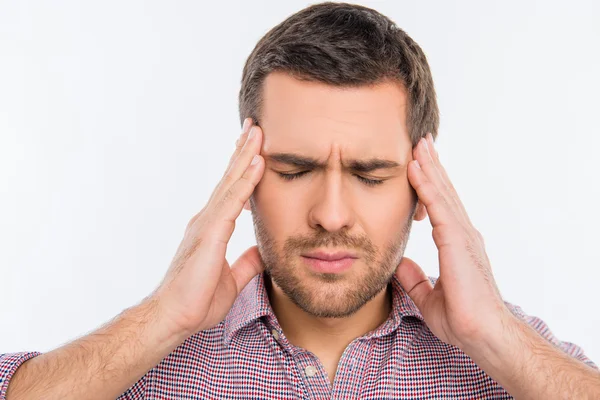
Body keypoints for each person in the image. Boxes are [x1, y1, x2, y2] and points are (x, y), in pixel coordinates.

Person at [2, 2, 599, 399]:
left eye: (370, 175)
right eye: (293, 169)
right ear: (246, 174)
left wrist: (493, 336)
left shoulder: (514, 360)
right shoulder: (143, 363)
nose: (331, 214)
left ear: (425, 188)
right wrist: (161, 322)